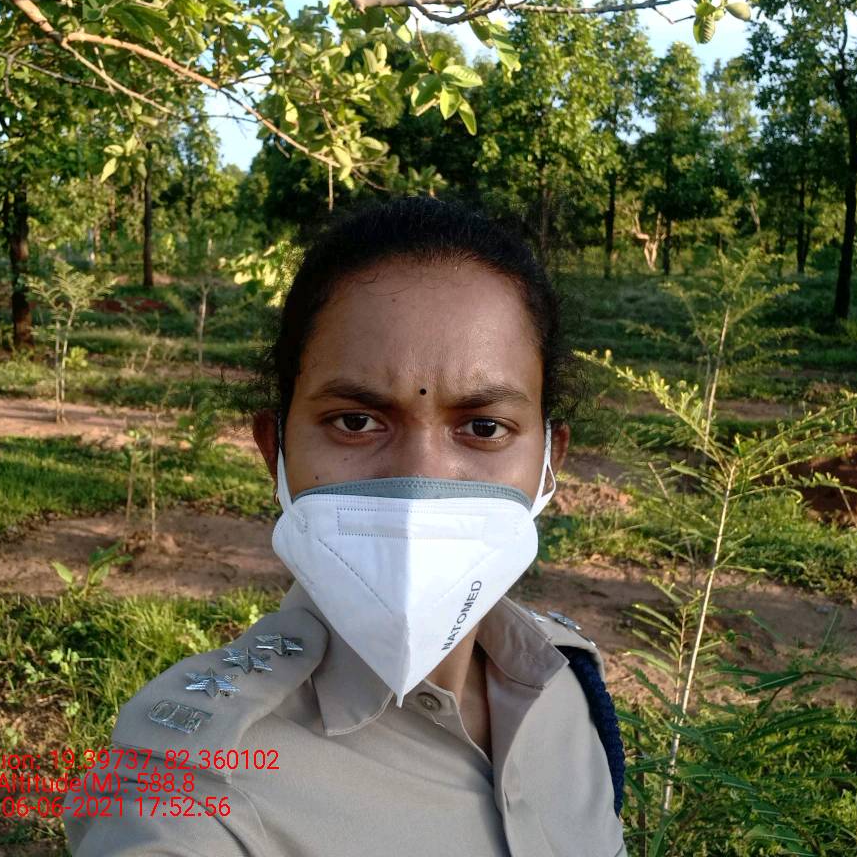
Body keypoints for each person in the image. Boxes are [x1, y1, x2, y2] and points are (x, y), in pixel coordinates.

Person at [63, 196, 627, 857]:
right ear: (275, 450)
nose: (419, 480)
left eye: (483, 427)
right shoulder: (193, 782)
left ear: (549, 461)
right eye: (356, 422)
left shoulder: (566, 680)